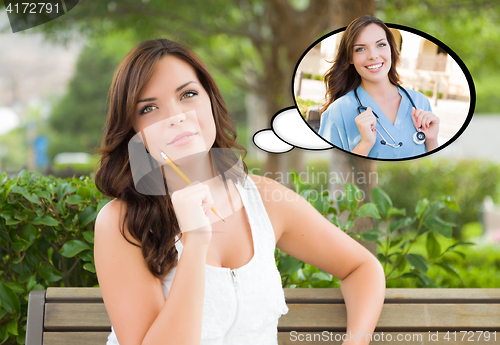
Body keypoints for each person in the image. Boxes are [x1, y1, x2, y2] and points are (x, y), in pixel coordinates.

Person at [94, 38, 385, 345]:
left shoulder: (265, 199)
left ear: (211, 101)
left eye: (188, 94)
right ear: (134, 130)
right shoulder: (121, 222)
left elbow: (362, 268)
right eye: (149, 107)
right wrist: (195, 241)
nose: (175, 117)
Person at [318, 15, 440, 159]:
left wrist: (431, 140)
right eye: (360, 49)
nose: (373, 56)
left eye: (381, 45)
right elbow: (329, 174)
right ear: (350, 57)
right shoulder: (338, 112)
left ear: (391, 49)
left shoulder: (420, 102)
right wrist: (365, 144)